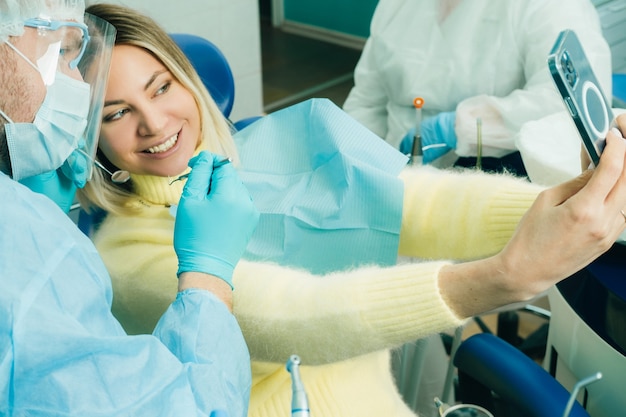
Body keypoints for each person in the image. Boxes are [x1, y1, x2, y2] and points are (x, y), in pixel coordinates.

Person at [80, 4, 626, 417]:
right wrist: (497, 279)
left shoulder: (262, 151)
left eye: (161, 87)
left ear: (188, 82)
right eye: (117, 113)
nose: (153, 123)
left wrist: (571, 200)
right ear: (87, 141)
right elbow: (304, 315)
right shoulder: (125, 259)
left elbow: (423, 202)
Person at [0, 1, 259, 416]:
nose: (155, 124)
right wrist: (207, 276)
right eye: (61, 50)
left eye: (161, 87)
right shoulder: (46, 256)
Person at [343, 0, 612, 176]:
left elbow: (570, 107)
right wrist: (357, 160)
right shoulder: (397, 6)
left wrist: (458, 127)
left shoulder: (550, 7)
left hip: (489, 184)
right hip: (388, 178)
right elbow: (367, 101)